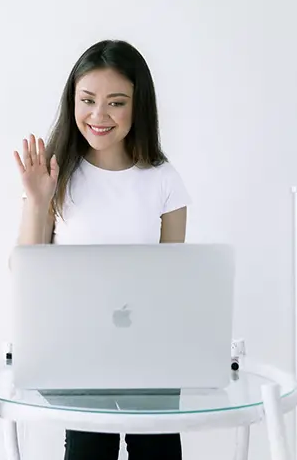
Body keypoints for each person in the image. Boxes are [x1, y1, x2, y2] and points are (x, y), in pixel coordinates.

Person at [13, 39, 190, 460]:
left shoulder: (165, 180)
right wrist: (38, 201)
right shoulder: (54, 174)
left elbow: (176, 278)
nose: (98, 116)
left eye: (116, 103)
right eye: (87, 100)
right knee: (89, 450)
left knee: (159, 451)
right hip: (75, 347)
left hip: (149, 349)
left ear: (138, 106)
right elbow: (26, 277)